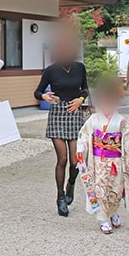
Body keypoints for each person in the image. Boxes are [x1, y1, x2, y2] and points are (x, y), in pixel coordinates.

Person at [34, 26, 89, 217]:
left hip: (74, 113)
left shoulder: (80, 68)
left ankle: (71, 184)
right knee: (63, 158)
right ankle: (60, 197)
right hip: (57, 113)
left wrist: (80, 100)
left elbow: (85, 89)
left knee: (75, 161)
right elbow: (38, 92)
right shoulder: (51, 71)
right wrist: (46, 97)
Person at [76, 82, 129, 234]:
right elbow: (84, 135)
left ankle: (113, 212)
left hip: (116, 161)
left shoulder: (120, 121)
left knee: (116, 189)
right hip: (98, 162)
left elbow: (127, 142)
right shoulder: (94, 120)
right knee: (100, 189)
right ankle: (103, 218)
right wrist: (80, 150)